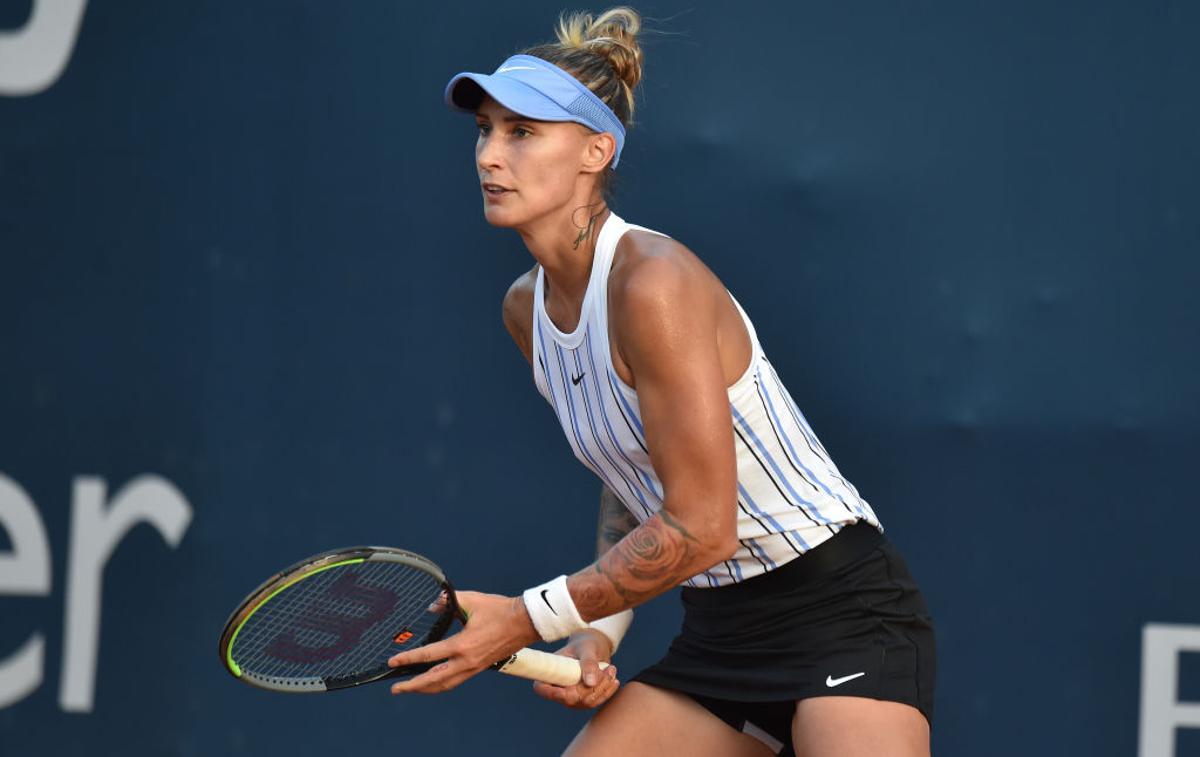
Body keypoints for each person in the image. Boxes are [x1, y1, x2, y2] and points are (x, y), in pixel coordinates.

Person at [386, 7, 936, 756]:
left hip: (840, 610)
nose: (489, 155)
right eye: (484, 129)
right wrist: (594, 633)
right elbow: (636, 468)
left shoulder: (654, 283)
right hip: (720, 631)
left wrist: (528, 616)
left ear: (595, 151)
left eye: (522, 133)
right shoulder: (527, 310)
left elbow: (702, 526)